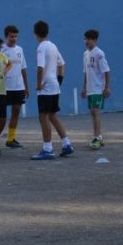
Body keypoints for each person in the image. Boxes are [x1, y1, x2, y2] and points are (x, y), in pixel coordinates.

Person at [30, 20, 74, 160]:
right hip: (54, 85)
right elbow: (62, 64)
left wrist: (38, 84)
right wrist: (59, 81)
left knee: (43, 117)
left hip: (46, 87)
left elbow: (40, 68)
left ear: (35, 34)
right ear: (47, 32)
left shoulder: (41, 47)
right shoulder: (53, 46)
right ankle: (67, 144)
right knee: (53, 116)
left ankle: (47, 149)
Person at [81, 29, 111, 149]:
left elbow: (106, 71)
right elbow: (86, 72)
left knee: (95, 112)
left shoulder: (99, 53)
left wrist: (106, 87)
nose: (86, 41)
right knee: (92, 113)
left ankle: (98, 137)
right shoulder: (85, 54)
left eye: (89, 39)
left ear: (95, 40)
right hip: (90, 89)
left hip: (98, 88)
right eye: (85, 39)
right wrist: (84, 88)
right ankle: (97, 136)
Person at [1, 25, 29, 149]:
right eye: (11, 36)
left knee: (16, 111)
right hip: (4, 87)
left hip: (18, 87)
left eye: (16, 36)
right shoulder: (2, 50)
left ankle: (11, 139)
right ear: (6, 37)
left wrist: (26, 87)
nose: (14, 38)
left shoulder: (20, 50)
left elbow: (23, 68)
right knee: (0, 115)